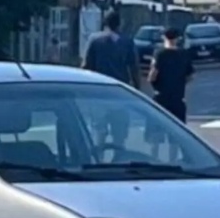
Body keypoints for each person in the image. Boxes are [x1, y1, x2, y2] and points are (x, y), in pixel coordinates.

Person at [82, 11, 140, 145]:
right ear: (120, 24)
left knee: (99, 130)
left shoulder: (94, 40)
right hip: (119, 91)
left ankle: (99, 154)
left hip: (98, 91)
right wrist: (137, 89)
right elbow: (134, 68)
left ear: (104, 23)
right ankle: (119, 154)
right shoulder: (127, 42)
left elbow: (86, 66)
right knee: (119, 133)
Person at [149, 27, 193, 123]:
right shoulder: (184, 54)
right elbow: (190, 76)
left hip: (161, 98)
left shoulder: (159, 54)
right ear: (177, 39)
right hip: (178, 99)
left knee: (160, 126)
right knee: (178, 128)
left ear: (164, 37)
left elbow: (153, 75)